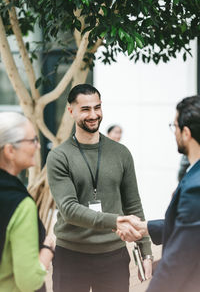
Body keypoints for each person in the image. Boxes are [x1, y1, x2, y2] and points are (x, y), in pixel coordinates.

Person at [47, 83, 152, 292]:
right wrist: (115, 221)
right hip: (71, 256)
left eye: (97, 107)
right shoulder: (59, 156)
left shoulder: (121, 153)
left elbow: (133, 204)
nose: (93, 115)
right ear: (71, 111)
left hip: (113, 256)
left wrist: (145, 251)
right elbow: (69, 210)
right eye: (85, 109)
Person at [117, 95, 200, 292]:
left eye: (175, 126)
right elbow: (189, 228)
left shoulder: (195, 186)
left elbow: (179, 258)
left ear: (186, 133)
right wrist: (144, 227)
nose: (174, 133)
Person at [0, 112, 55, 292]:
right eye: (32, 141)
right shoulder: (20, 204)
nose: (38, 146)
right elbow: (28, 281)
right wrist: (48, 248)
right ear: (9, 150)